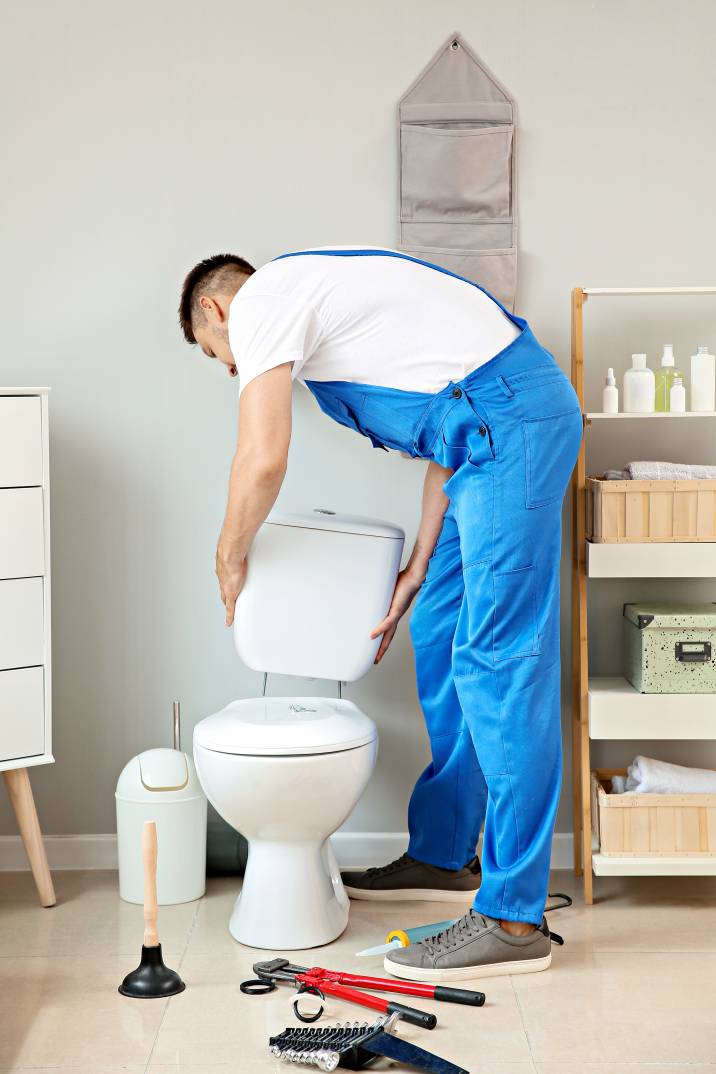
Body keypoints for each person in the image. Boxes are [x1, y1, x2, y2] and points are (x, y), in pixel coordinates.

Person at [178, 246, 583, 981]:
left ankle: (513, 917)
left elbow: (263, 458)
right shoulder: (327, 309)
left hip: (513, 428)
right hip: (488, 433)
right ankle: (444, 850)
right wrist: (418, 569)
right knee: (436, 626)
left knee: (502, 662)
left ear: (216, 309)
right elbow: (445, 440)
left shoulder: (265, 298)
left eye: (220, 357)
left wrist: (229, 555)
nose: (236, 371)